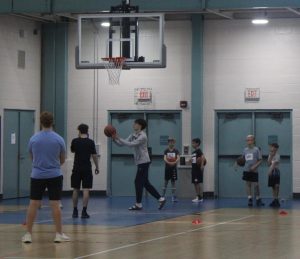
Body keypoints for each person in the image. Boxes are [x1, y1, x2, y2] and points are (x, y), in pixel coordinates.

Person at [22, 111, 70, 243]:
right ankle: (58, 234)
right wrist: (53, 165)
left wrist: (39, 166)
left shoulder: (34, 139)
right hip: (54, 174)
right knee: (55, 204)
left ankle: (28, 234)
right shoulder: (59, 139)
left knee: (33, 203)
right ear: (52, 122)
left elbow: (32, 157)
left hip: (37, 175)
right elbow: (62, 159)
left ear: (40, 122)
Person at [112, 118, 166, 210]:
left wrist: (118, 137)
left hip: (144, 161)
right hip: (140, 162)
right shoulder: (133, 134)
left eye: (135, 123)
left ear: (140, 125)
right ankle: (160, 199)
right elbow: (122, 144)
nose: (133, 125)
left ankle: (138, 204)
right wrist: (114, 139)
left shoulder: (143, 136)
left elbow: (130, 144)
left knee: (138, 182)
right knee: (145, 183)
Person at [71, 124, 99, 218]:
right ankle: (84, 212)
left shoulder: (75, 141)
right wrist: (97, 167)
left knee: (75, 189)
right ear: (87, 131)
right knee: (86, 189)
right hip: (87, 168)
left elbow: (73, 151)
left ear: (79, 131)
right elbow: (94, 155)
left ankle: (75, 211)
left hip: (76, 168)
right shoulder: (91, 142)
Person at [242, 135, 264, 207]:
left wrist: (255, 166)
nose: (249, 142)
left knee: (256, 185)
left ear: (253, 140)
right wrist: (237, 163)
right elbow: (243, 159)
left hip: (254, 170)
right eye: (247, 140)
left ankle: (258, 198)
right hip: (246, 169)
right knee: (248, 184)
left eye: (250, 140)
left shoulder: (256, 149)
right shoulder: (245, 150)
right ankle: (250, 198)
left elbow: (260, 160)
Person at [162, 137, 180, 202]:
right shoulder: (166, 150)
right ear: (168, 143)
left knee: (173, 183)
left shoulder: (176, 150)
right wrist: (169, 162)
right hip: (167, 169)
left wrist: (174, 162)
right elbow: (164, 158)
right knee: (165, 182)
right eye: (170, 142)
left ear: (174, 143)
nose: (171, 143)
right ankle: (163, 196)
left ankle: (173, 197)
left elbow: (178, 158)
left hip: (173, 169)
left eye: (172, 142)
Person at [191, 138, 206, 203]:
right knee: (195, 183)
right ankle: (198, 196)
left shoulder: (199, 150)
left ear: (197, 144)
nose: (192, 144)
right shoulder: (193, 152)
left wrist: (202, 165)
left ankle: (199, 197)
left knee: (197, 183)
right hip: (193, 169)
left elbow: (203, 157)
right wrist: (190, 161)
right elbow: (194, 160)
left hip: (197, 169)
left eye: (193, 143)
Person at [267, 143, 280, 207]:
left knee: (277, 186)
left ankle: (277, 199)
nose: (272, 148)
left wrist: (270, 170)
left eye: (274, 148)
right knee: (273, 186)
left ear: (276, 149)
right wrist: (271, 156)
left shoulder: (277, 155)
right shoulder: (270, 155)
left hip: (276, 171)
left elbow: (274, 164)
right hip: (271, 172)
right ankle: (274, 199)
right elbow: (269, 163)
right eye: (272, 147)